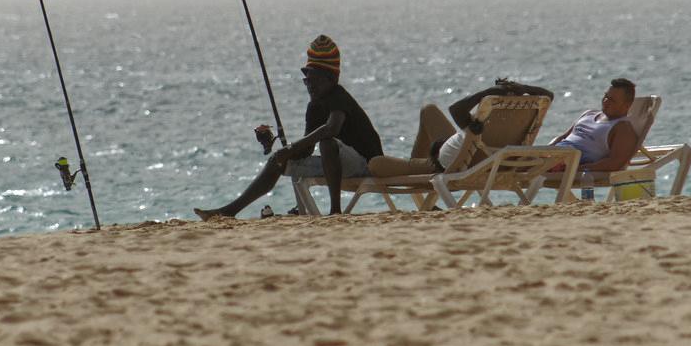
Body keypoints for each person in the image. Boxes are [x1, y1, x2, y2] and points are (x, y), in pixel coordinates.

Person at [194, 35, 383, 219]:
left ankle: (335, 212)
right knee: (281, 160)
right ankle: (230, 210)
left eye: (314, 80)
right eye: (306, 80)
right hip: (339, 164)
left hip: (367, 164)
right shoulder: (314, 106)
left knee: (327, 143)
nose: (310, 86)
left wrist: (291, 148)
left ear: (331, 79)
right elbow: (306, 150)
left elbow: (331, 129)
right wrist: (278, 149)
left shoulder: (338, 96)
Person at [411, 80, 555, 172]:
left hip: (458, 164)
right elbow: (548, 96)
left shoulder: (478, 125)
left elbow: (455, 110)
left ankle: (414, 169)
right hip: (503, 164)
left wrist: (487, 93)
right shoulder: (521, 121)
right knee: (428, 109)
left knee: (428, 109)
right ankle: (416, 166)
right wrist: (524, 88)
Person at [549, 77, 639, 172]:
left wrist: (575, 170)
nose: (605, 101)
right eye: (606, 96)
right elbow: (563, 136)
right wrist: (546, 149)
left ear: (627, 105)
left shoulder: (623, 129)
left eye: (612, 100)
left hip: (568, 162)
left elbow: (614, 163)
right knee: (533, 158)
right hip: (553, 154)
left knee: (533, 164)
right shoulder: (588, 114)